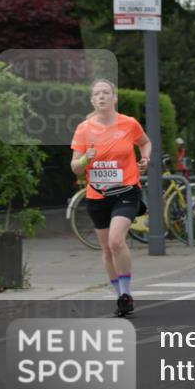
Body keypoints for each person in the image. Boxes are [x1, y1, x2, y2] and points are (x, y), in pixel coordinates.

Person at [70, 79, 151, 317]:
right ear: (92, 100)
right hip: (98, 196)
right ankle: (119, 296)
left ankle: (126, 293)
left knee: (116, 241)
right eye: (97, 94)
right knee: (107, 250)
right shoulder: (84, 129)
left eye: (106, 92)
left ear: (114, 98)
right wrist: (85, 159)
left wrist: (145, 159)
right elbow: (75, 167)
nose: (102, 96)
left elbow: (145, 142)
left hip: (126, 192)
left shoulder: (129, 123)